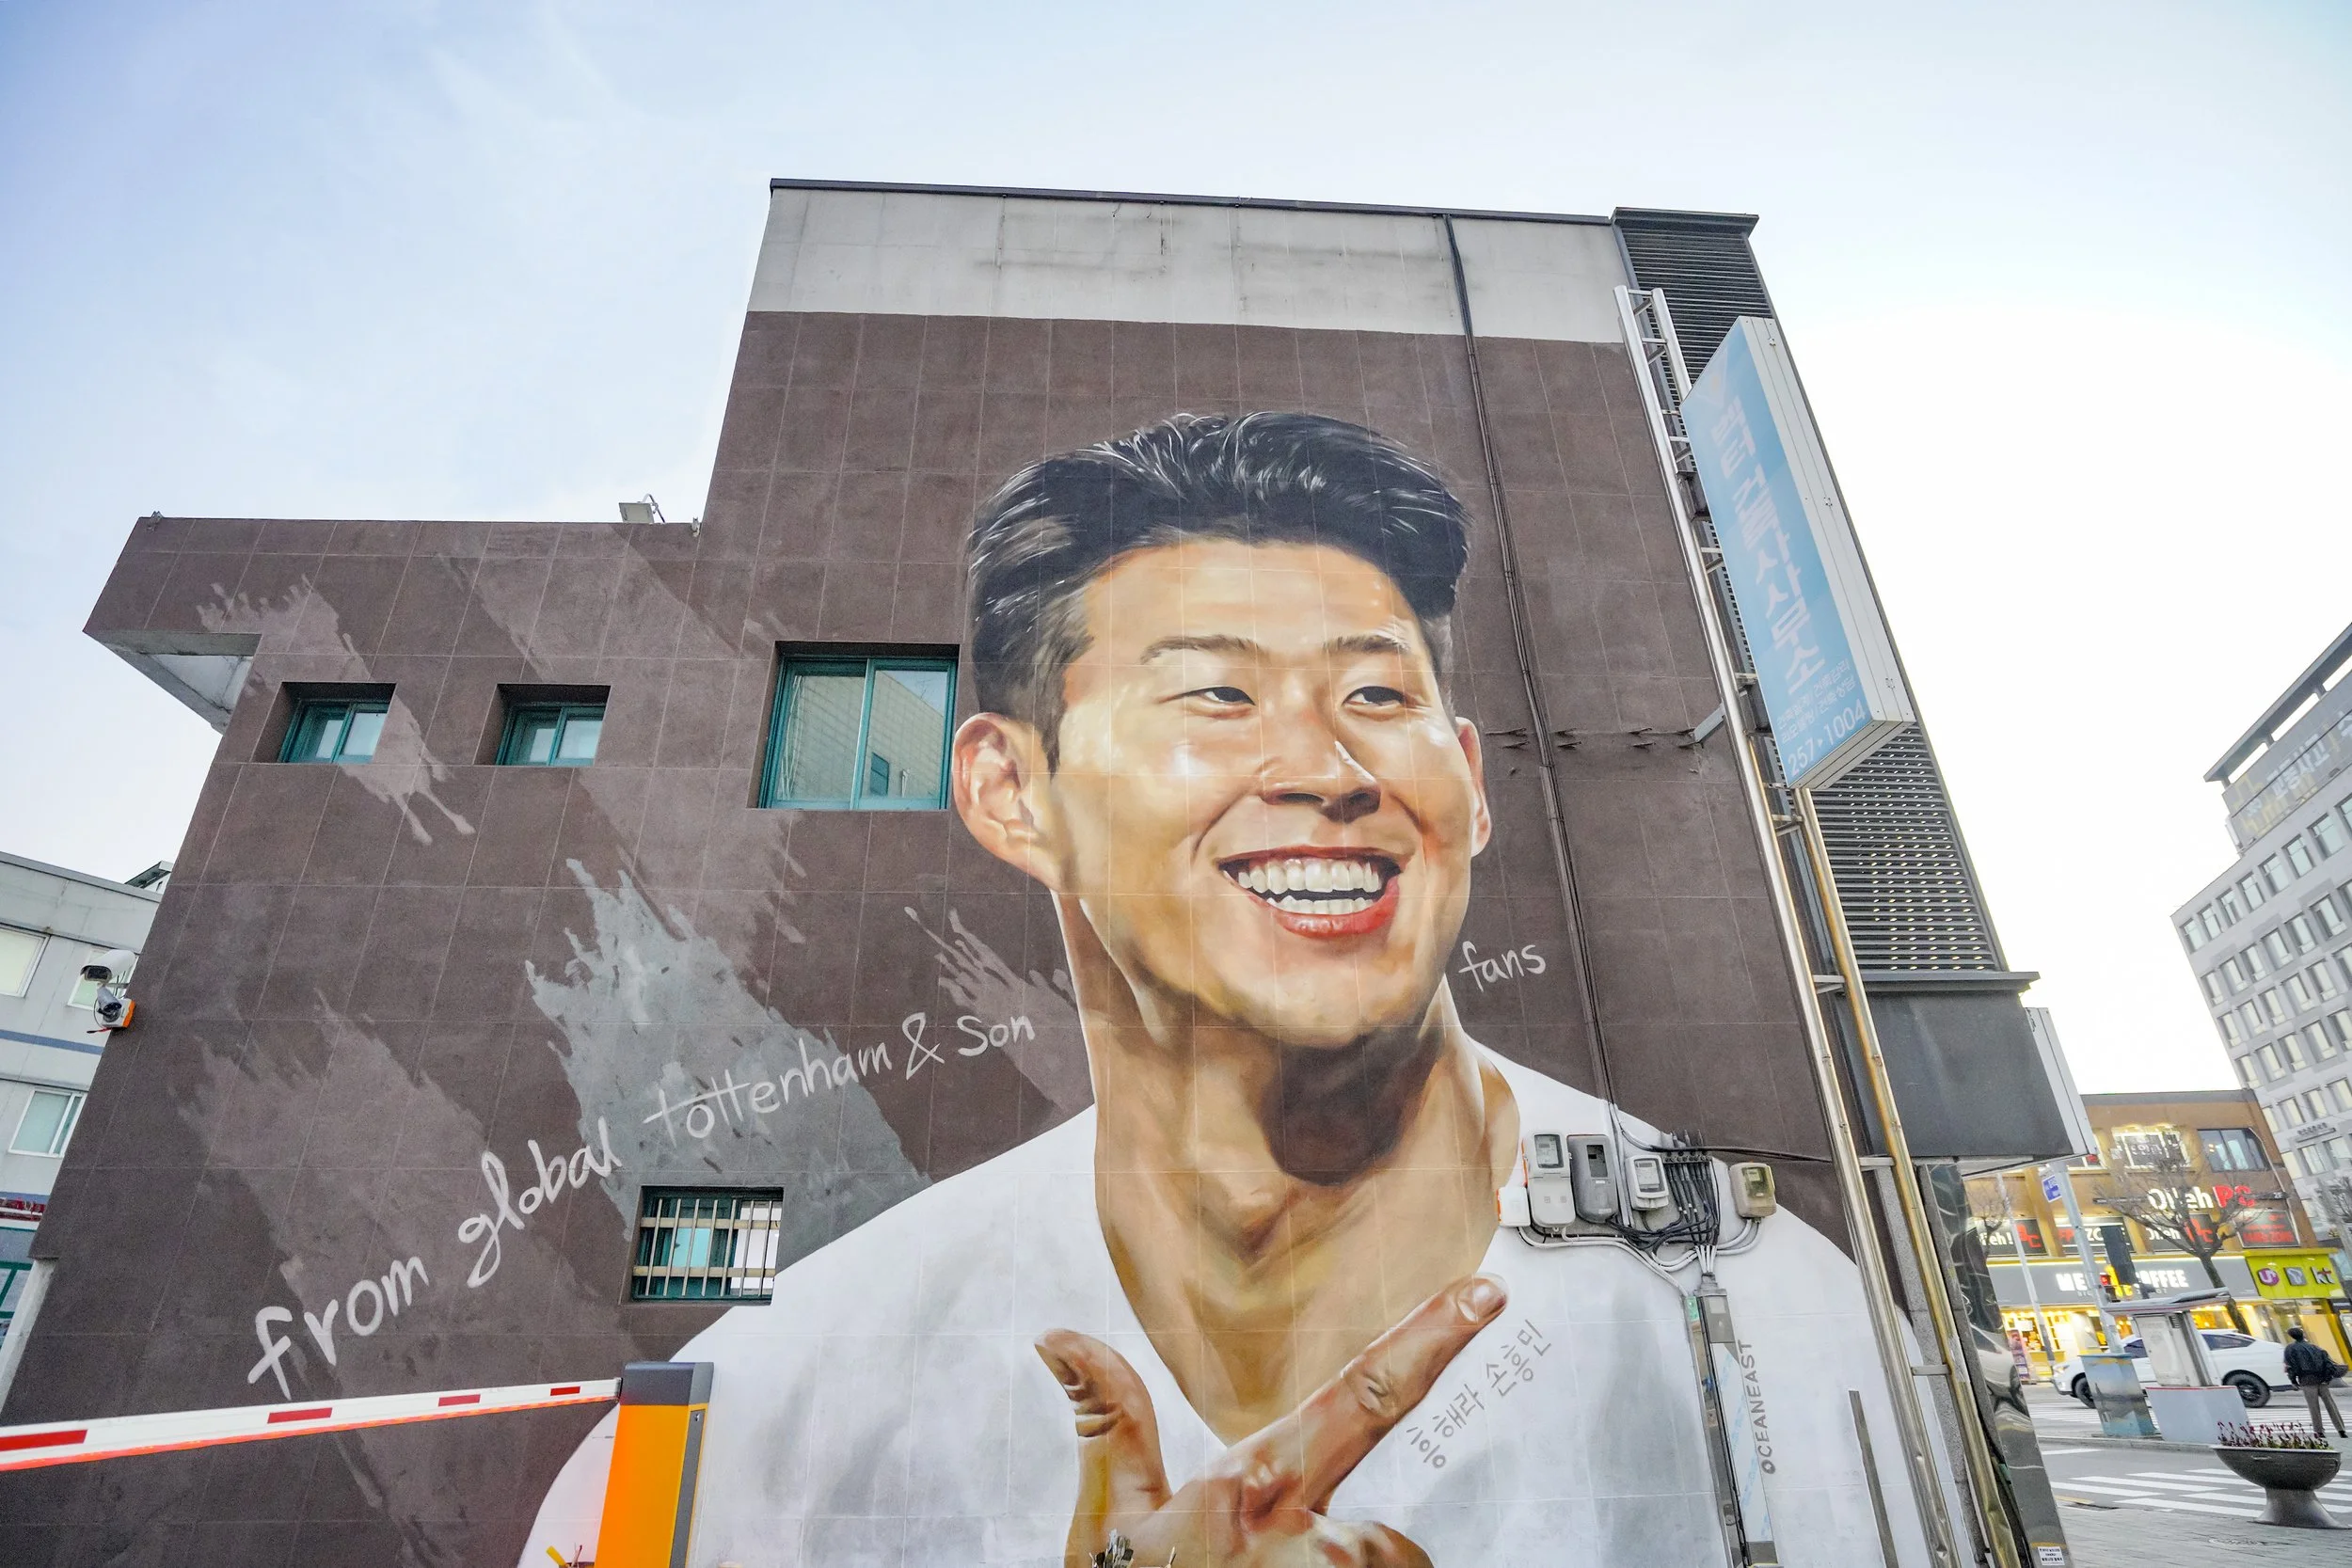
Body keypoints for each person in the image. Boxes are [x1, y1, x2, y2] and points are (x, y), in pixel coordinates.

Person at [520, 413, 1911, 1567]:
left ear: (1472, 786)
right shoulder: (771, 1416)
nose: (1327, 769)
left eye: (1378, 696)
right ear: (1012, 791)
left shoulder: (1787, 1333)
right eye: (1216, 697)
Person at [2283, 1325, 2347, 1439]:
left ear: (2291, 1336)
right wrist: (2327, 1378)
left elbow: (2291, 1367)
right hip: (2322, 1380)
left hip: (2306, 1381)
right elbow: (2328, 1363)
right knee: (2331, 1405)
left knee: (2314, 1407)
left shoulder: (2290, 1349)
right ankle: (2341, 1430)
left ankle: (2319, 1432)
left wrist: (2293, 1381)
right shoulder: (2315, 1347)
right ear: (2303, 1335)